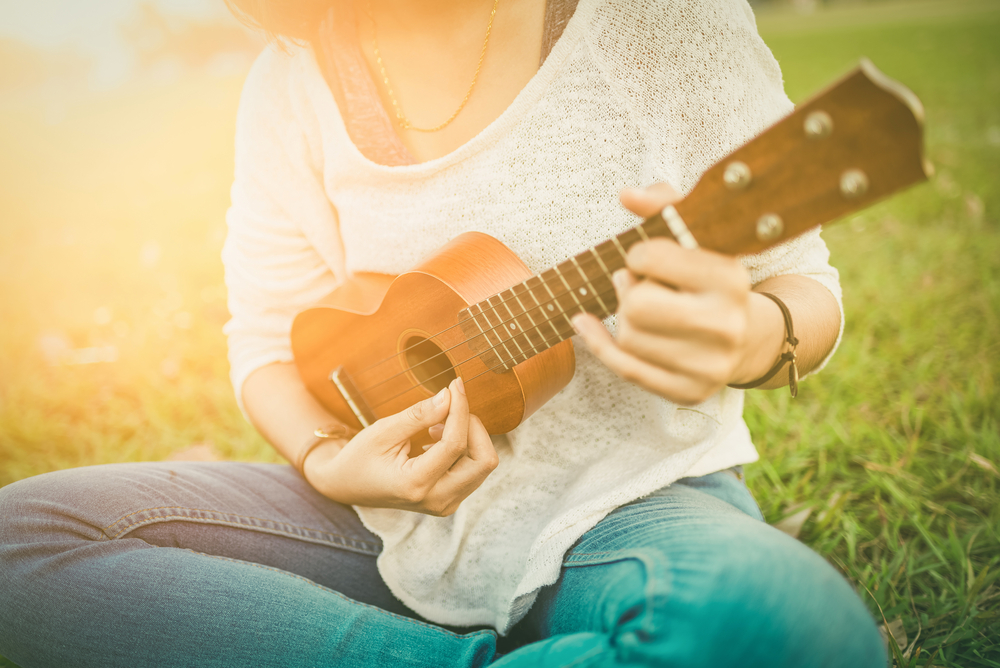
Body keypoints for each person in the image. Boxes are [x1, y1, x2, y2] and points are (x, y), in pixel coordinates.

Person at [0, 0, 888, 666]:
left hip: (627, 513)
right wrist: (324, 459)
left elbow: (802, 285)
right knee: (22, 542)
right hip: (377, 528)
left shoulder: (656, 22)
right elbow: (265, 339)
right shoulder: (291, 80)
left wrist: (749, 338)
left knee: (779, 624)